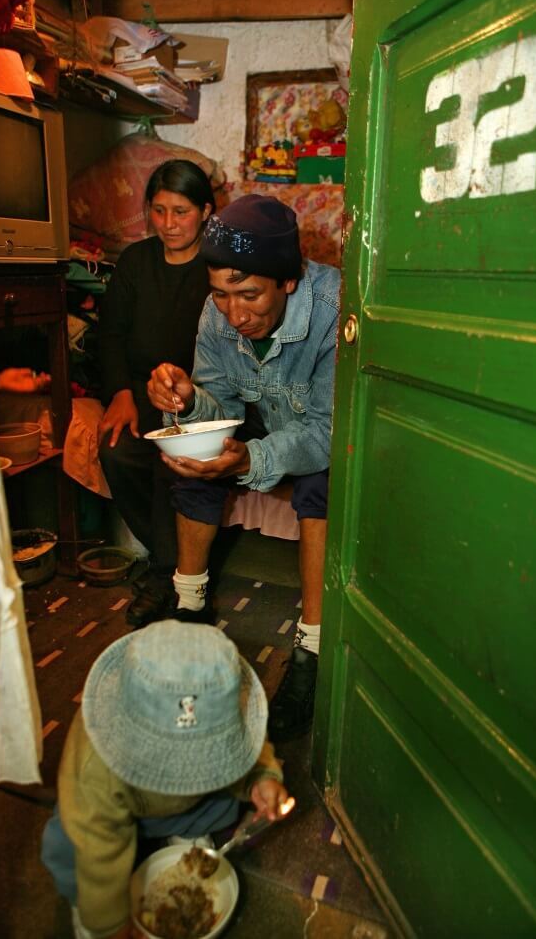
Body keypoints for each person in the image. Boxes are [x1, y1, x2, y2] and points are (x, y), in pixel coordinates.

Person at [147, 194, 340, 742]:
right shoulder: (219, 313)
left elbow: (328, 434)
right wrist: (186, 400)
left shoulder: (334, 312)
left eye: (250, 294)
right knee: (191, 454)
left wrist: (254, 457)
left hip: (321, 435)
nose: (235, 314)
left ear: (290, 280)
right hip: (264, 422)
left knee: (323, 484)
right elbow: (222, 408)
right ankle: (190, 606)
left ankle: (311, 648)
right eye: (222, 295)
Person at [41, 620, 290, 939]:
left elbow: (250, 744)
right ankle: (88, 913)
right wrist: (109, 924)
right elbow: (97, 847)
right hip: (107, 819)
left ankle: (191, 831)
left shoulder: (230, 712)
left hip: (186, 806)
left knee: (221, 796)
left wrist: (262, 777)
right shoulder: (96, 766)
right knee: (72, 850)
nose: (190, 775)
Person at [97, 159, 215, 628]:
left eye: (181, 211)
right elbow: (110, 335)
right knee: (117, 451)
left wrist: (192, 394)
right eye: (159, 211)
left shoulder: (217, 267)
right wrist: (120, 393)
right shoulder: (136, 262)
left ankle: (166, 572)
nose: (169, 224)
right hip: (144, 395)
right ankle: (169, 560)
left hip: (202, 397)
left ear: (205, 211)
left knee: (174, 457)